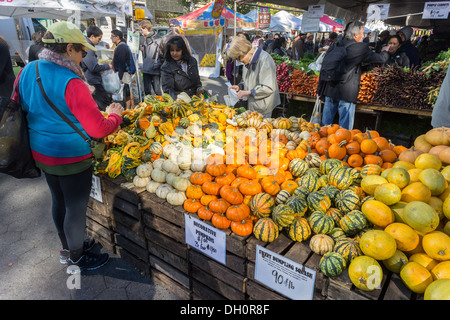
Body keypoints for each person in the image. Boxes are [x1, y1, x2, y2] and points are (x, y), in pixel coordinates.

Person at [16, 21, 123, 274]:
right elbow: (98, 129)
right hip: (71, 157)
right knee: (75, 209)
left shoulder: (29, 70)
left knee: (58, 202)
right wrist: (115, 116)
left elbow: (21, 106)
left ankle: (67, 248)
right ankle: (76, 257)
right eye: (81, 52)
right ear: (70, 48)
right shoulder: (72, 82)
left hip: (40, 152)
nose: (83, 57)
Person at [317, 21, 389, 129]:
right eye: (362, 33)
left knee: (325, 127)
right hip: (346, 91)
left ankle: (322, 143)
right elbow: (380, 59)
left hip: (330, 88)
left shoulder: (336, 44)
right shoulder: (359, 48)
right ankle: (343, 144)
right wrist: (385, 51)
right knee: (345, 129)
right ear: (356, 35)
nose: (363, 36)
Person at [227, 34, 281, 118]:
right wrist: (240, 87)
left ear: (244, 52)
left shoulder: (264, 59)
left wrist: (248, 92)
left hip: (263, 107)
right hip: (253, 106)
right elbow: (248, 81)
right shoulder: (248, 61)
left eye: (238, 58)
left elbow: (268, 88)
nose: (239, 61)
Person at [160, 36, 203, 100]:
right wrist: (178, 102)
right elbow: (168, 89)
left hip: (195, 100)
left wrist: (199, 88)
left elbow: (197, 81)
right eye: (172, 50)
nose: (174, 53)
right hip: (179, 102)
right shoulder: (166, 67)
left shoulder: (192, 61)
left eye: (178, 50)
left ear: (183, 50)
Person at [81, 25, 113, 111]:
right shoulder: (88, 48)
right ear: (92, 36)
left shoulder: (89, 46)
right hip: (92, 81)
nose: (100, 41)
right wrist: (107, 66)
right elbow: (93, 67)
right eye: (99, 38)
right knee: (104, 105)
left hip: (92, 80)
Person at [139, 19, 163, 96]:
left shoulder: (158, 39)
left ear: (145, 29)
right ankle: (148, 106)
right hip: (147, 68)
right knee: (147, 90)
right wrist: (143, 49)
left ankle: (162, 105)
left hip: (155, 69)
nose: (141, 31)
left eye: (141, 29)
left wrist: (157, 65)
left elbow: (161, 54)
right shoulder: (146, 39)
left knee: (157, 90)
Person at [111, 29, 133, 109]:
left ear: (117, 37)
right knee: (124, 92)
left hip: (124, 73)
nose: (111, 38)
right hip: (123, 73)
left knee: (126, 92)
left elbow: (121, 63)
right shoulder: (121, 46)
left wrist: (119, 77)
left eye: (112, 36)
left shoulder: (122, 47)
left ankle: (128, 109)